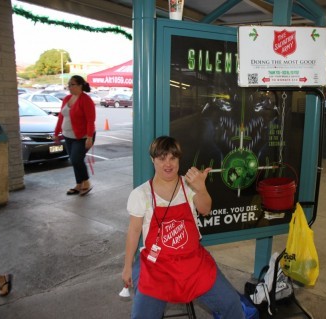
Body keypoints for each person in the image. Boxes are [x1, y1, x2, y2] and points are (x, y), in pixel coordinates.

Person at [122, 136, 244, 319]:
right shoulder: (141, 194)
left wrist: (201, 188)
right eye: (162, 158)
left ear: (179, 159)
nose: (168, 164)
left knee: (232, 304)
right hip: (157, 267)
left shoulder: (189, 186)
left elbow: (205, 209)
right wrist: (127, 266)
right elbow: (134, 231)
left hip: (193, 262)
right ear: (152, 160)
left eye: (173, 158)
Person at [54, 75, 96, 196]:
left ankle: (86, 182)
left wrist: (89, 137)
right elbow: (61, 117)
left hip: (82, 136)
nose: (69, 87)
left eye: (72, 84)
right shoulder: (67, 98)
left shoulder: (86, 100)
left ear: (80, 85)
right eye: (69, 84)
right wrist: (56, 133)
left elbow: (90, 120)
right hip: (67, 135)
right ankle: (78, 184)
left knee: (76, 159)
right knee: (74, 160)